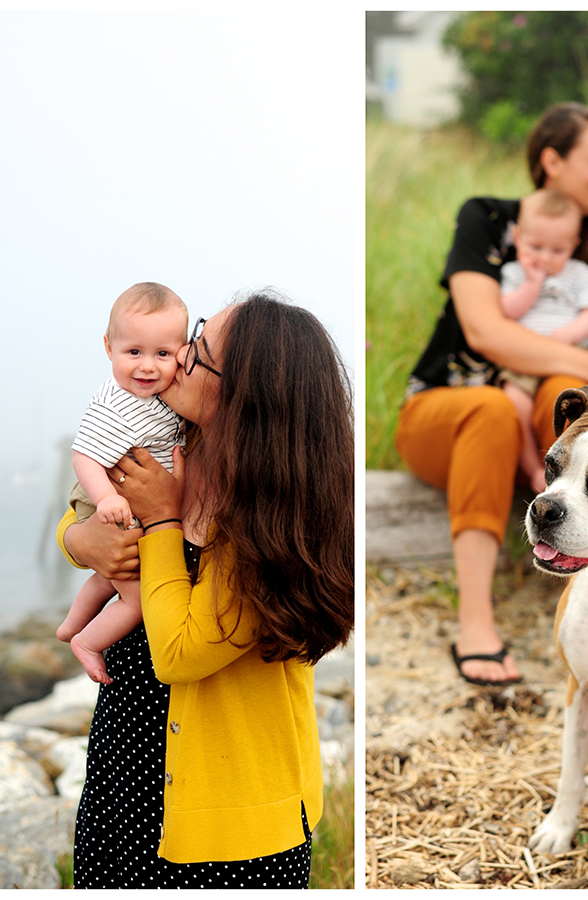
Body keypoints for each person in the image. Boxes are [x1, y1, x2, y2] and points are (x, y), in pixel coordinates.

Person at [56, 291, 354, 887]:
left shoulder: (270, 523)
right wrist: (83, 543)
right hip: (128, 763)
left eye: (200, 351)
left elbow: (181, 653)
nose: (180, 357)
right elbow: (83, 512)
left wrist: (163, 521)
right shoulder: (179, 448)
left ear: (244, 394)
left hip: (232, 815)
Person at [395, 102, 588, 687]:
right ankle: (475, 621)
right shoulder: (486, 218)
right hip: (446, 407)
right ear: (551, 161)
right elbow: (486, 331)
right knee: (491, 406)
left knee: (569, 391)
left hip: (538, 417)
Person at [56, 282, 188, 685]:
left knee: (106, 575)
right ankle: (88, 642)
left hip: (128, 498)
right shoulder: (116, 403)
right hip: (104, 498)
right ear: (109, 348)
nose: (148, 366)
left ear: (182, 354)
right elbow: (85, 456)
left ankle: (70, 625)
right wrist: (106, 497)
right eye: (134, 352)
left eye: (163, 354)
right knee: (133, 600)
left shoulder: (164, 397)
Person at [497, 188, 588, 492]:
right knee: (513, 402)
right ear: (517, 237)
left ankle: (568, 476)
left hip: (567, 358)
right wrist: (532, 285)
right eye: (535, 246)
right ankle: (532, 467)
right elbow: (507, 310)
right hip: (523, 361)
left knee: (569, 409)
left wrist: (566, 335)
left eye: (557, 250)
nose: (545, 258)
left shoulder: (578, 273)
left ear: (573, 245)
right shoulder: (513, 272)